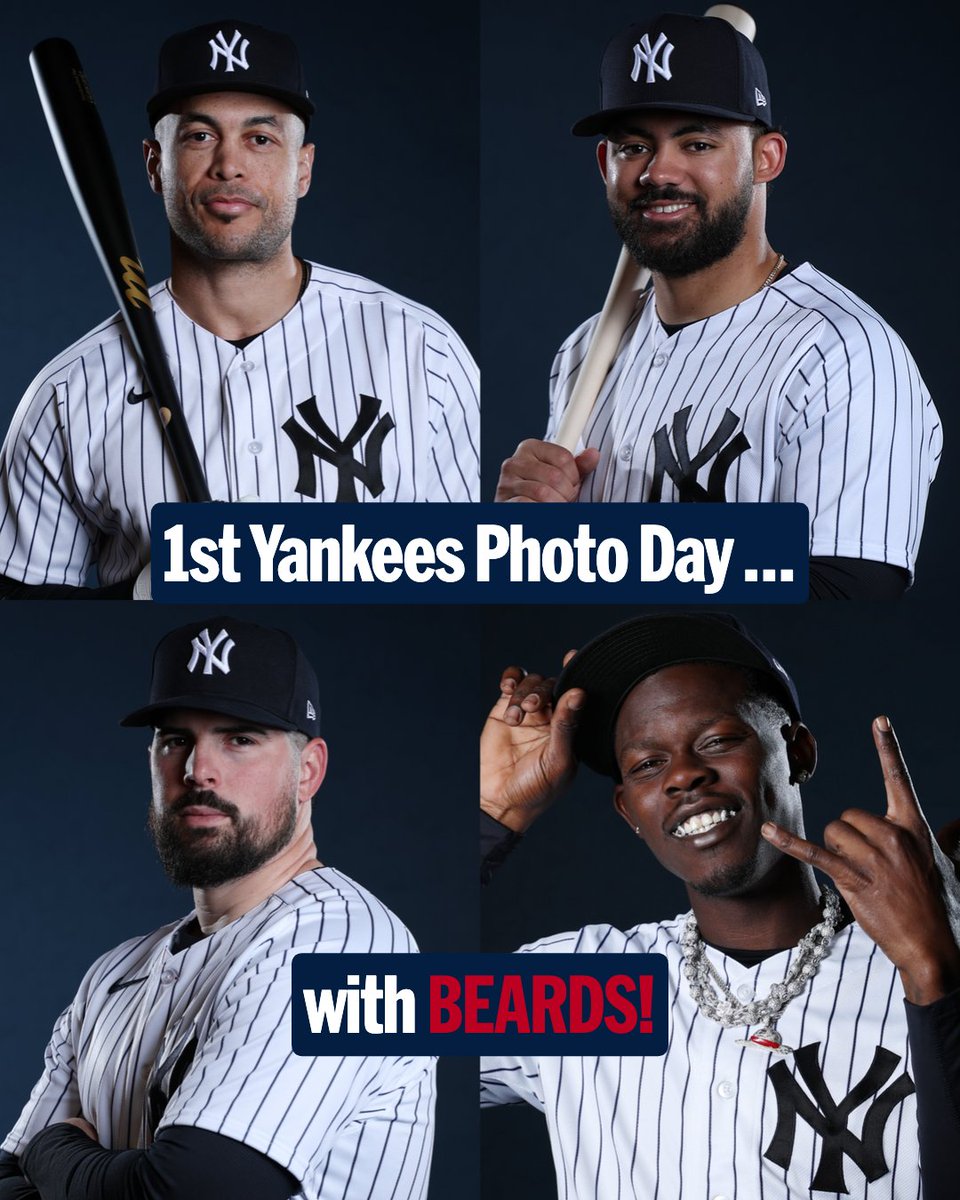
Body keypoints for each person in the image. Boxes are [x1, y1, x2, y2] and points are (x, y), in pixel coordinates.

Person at [479, 611, 959, 1198]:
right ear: (629, 811)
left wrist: (936, 977)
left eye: (718, 741)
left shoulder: (925, 963)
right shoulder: (582, 989)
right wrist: (493, 816)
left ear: (799, 752)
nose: (684, 775)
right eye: (648, 765)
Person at [0, 19, 480, 598]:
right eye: (199, 136)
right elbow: (24, 601)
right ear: (155, 165)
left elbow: (465, 581)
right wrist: (134, 596)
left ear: (302, 167)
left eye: (260, 138)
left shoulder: (423, 352)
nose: (229, 165)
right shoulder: (67, 393)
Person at [494, 13, 941, 600]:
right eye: (634, 147)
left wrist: (598, 553)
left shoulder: (847, 356)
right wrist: (523, 547)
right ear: (605, 164)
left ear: (767, 158)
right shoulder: (582, 353)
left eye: (697, 142)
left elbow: (851, 588)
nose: (659, 173)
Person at [0, 616, 435, 1200]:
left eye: (240, 738)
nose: (197, 770)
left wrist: (55, 1150)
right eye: (176, 739)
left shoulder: (347, 947)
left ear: (308, 771)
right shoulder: (110, 975)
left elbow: (192, 1190)